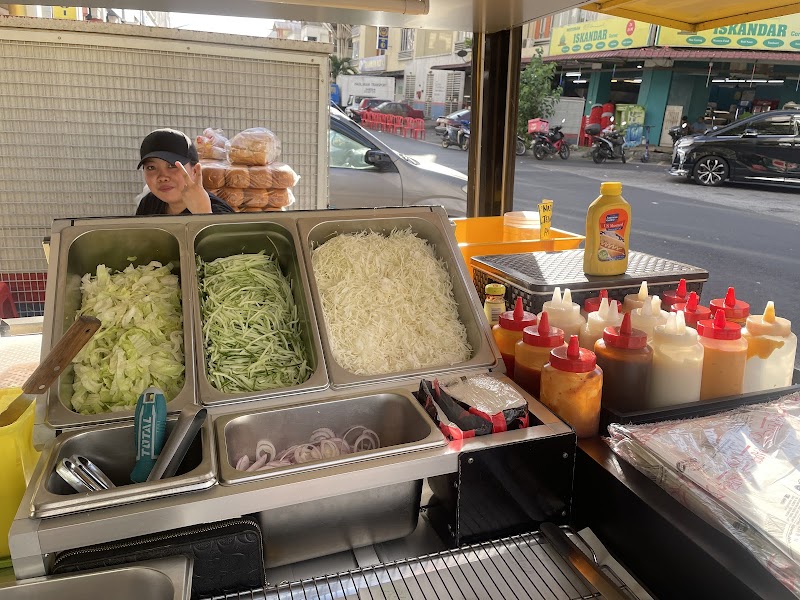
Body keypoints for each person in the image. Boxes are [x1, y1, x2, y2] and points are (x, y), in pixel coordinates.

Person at [135, 128, 233, 215]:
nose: (162, 177)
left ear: (194, 171)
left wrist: (203, 214)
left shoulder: (220, 214)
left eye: (172, 165)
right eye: (151, 167)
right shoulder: (150, 203)